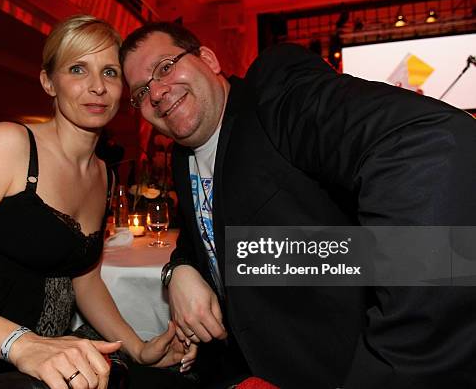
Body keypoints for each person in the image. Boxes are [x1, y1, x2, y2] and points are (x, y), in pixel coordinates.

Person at [120, 22, 476, 388]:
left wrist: (391, 367)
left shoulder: (272, 93)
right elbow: (206, 236)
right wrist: (178, 271)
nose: (158, 92)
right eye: (141, 92)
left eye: (165, 67)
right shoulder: (185, 154)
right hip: (248, 369)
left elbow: (431, 147)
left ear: (208, 59)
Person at [0, 15, 196, 388]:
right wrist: (22, 343)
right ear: (49, 82)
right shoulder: (9, 146)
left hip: (38, 364)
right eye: (78, 69)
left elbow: (85, 278)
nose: (97, 86)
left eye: (110, 72)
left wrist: (138, 346)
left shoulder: (103, 173)